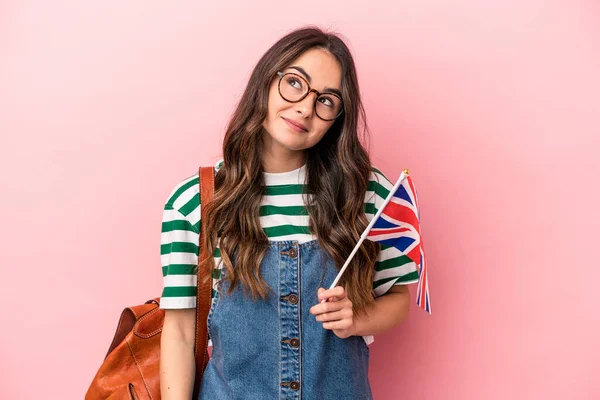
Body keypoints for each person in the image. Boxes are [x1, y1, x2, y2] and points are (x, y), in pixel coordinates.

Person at [159, 26, 419, 400]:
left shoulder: (367, 193)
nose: (306, 108)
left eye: (327, 100)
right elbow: (181, 333)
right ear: (267, 79)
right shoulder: (195, 201)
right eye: (295, 83)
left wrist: (357, 318)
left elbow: (398, 297)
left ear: (337, 118)